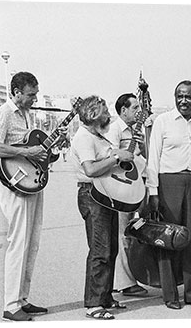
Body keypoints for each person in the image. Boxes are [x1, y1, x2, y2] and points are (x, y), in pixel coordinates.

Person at [0, 71, 61, 321]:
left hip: (31, 183)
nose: (34, 98)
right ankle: (10, 305)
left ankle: (22, 299)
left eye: (36, 94)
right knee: (18, 243)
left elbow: (29, 148)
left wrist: (46, 152)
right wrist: (29, 152)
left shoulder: (27, 114)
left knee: (32, 242)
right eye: (31, 94)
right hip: (14, 185)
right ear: (16, 92)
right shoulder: (4, 113)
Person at [70, 95, 134, 320]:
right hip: (92, 196)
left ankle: (105, 296)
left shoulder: (97, 135)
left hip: (105, 196)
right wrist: (117, 158)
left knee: (110, 248)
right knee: (100, 250)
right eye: (105, 111)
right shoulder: (85, 137)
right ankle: (94, 303)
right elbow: (90, 169)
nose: (109, 114)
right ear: (93, 115)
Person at [146, 80, 191, 310]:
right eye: (180, 96)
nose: (184, 100)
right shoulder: (163, 121)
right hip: (168, 182)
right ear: (175, 98)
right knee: (169, 238)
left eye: (189, 97)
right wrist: (153, 191)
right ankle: (170, 295)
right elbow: (153, 158)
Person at [105, 93, 148, 297]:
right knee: (122, 233)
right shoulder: (114, 129)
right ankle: (125, 282)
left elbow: (142, 157)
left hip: (136, 185)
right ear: (123, 110)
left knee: (133, 230)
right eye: (135, 108)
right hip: (121, 188)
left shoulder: (133, 130)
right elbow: (110, 155)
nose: (138, 111)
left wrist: (142, 145)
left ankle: (129, 277)